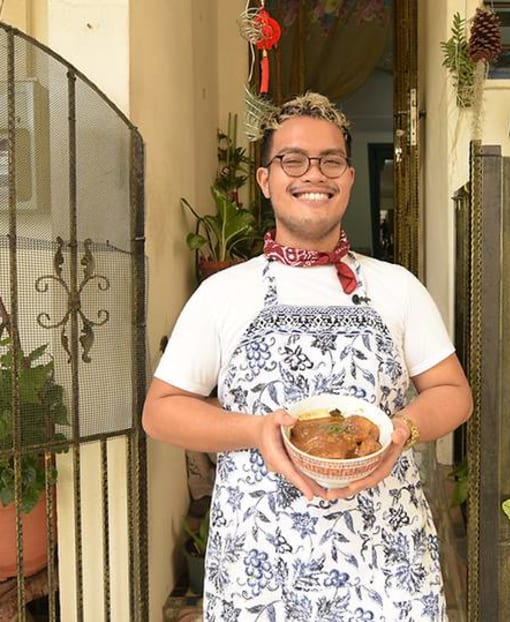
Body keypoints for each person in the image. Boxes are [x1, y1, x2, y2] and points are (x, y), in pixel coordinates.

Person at [142, 91, 473, 622]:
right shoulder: (224, 293)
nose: (313, 174)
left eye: (331, 160)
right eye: (292, 160)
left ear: (349, 177)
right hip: (259, 565)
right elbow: (160, 411)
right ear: (265, 180)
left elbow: (454, 394)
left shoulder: (397, 288)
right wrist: (255, 433)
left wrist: (401, 431)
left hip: (386, 560)